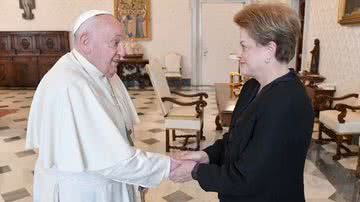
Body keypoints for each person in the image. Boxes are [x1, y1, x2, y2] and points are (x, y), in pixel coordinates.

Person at [26, 10, 179, 202]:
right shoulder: (69, 84)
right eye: (115, 43)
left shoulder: (105, 73)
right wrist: (170, 166)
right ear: (85, 42)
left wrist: (139, 177)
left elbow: (121, 135)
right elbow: (111, 159)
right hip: (83, 192)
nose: (122, 52)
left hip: (111, 183)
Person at [170, 3, 314, 202]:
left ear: (269, 50)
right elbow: (234, 141)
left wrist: (196, 172)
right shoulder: (252, 87)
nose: (240, 54)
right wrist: (205, 156)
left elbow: (248, 177)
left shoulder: (288, 103)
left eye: (245, 46)